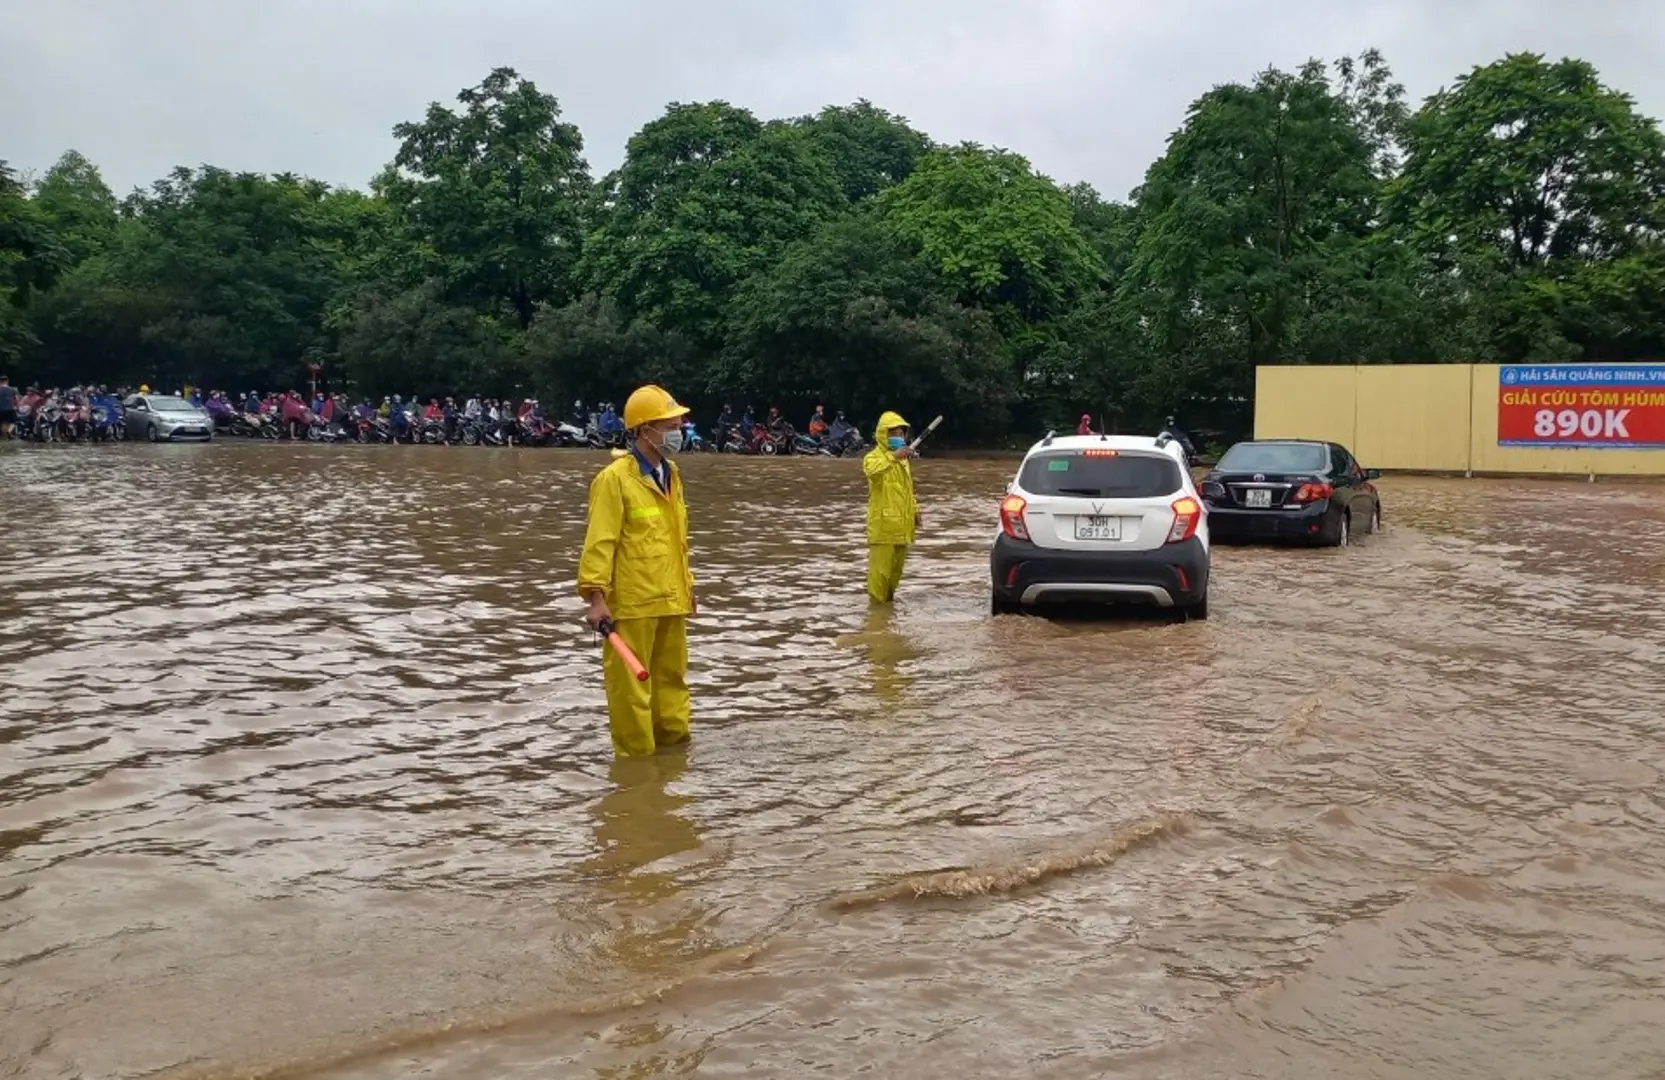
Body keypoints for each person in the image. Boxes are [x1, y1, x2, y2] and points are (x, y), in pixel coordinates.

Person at [578, 384, 696, 758]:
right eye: (671, 423)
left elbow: (676, 539)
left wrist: (688, 587)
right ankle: (637, 771)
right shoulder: (614, 480)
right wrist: (596, 599)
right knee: (631, 693)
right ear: (646, 430)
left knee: (672, 684)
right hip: (631, 605)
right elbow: (600, 542)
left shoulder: (671, 473)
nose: (679, 429)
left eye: (679, 422)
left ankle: (675, 760)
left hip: (670, 599)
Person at [863, 410, 921, 604]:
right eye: (894, 433)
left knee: (894, 579)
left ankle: (886, 616)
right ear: (883, 435)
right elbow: (873, 472)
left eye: (901, 434)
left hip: (901, 528)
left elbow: (907, 490)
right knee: (879, 579)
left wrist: (915, 512)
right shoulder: (873, 458)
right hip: (883, 529)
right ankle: (876, 620)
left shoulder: (904, 462)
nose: (899, 438)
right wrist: (893, 457)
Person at [0, 375, 16, 439]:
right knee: (12, 422)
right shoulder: (12, 389)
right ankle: (9, 431)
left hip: (0, 409)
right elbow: (15, 399)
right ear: (7, 381)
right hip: (10, 408)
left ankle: (4, 436)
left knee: (2, 422)